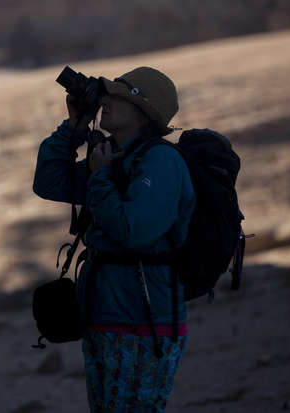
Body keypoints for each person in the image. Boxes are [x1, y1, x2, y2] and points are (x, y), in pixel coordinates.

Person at [33, 66, 196, 412]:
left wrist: (101, 178)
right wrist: (73, 128)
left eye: (117, 96)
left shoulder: (161, 162)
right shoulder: (111, 158)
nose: (104, 100)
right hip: (103, 319)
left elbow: (134, 231)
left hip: (143, 322)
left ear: (143, 111)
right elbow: (47, 182)